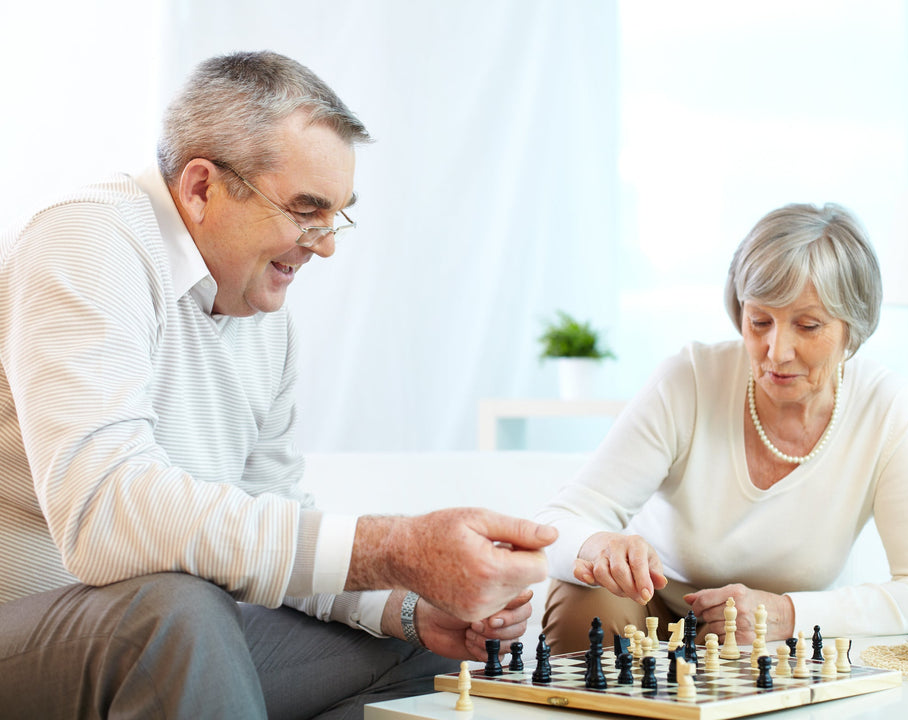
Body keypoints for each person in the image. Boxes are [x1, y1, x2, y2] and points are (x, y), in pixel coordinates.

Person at [0, 51, 556, 718]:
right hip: (32, 632)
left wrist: (405, 603)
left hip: (168, 628)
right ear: (203, 187)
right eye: (304, 211)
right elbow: (105, 515)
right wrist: (394, 549)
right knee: (178, 609)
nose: (323, 246)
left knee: (432, 654)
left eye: (335, 216)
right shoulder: (88, 241)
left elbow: (273, 513)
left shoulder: (264, 318)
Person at [535, 203, 908, 653]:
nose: (777, 351)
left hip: (781, 635)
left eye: (808, 324)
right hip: (653, 612)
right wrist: (598, 545)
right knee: (587, 597)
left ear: (852, 329)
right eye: (760, 321)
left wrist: (786, 614)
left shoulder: (886, 406)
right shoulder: (690, 379)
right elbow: (555, 524)